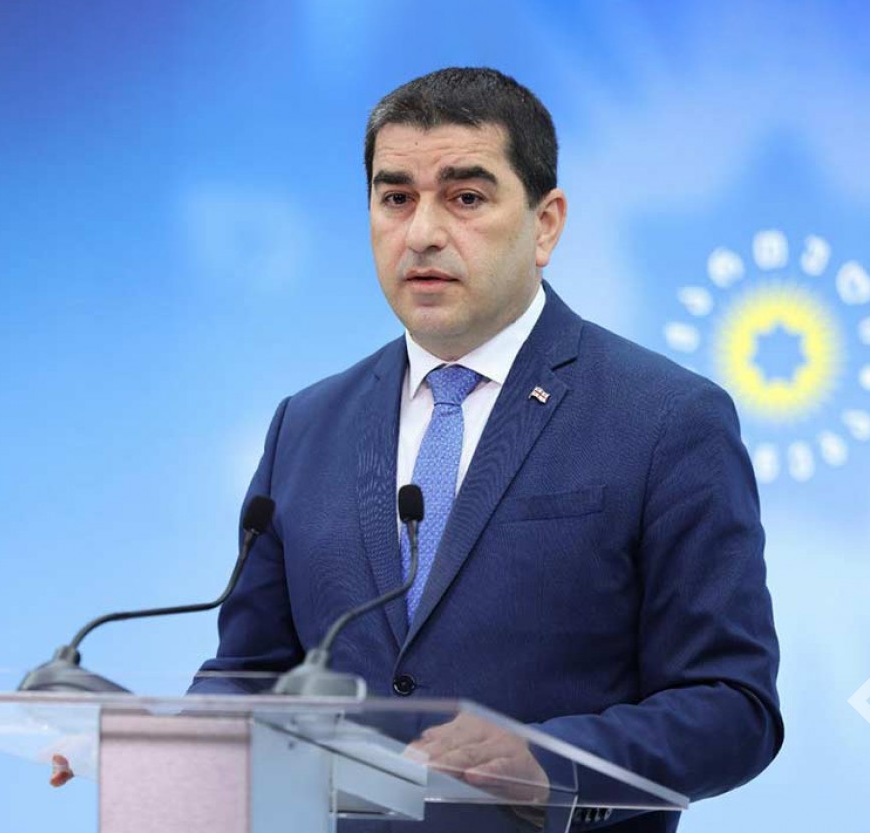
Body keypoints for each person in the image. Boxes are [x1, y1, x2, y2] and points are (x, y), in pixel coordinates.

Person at [74, 67, 782, 831]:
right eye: (396, 198)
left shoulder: (666, 417)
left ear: (546, 224)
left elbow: (732, 705)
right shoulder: (306, 425)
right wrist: (171, 746)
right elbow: (254, 671)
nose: (422, 233)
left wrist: (548, 762)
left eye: (465, 197)